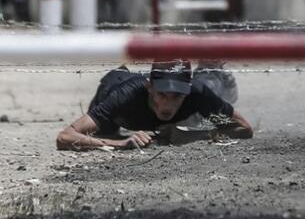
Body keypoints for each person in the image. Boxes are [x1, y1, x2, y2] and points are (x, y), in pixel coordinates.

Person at [56, 60, 253, 151]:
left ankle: (214, 71)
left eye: (177, 96)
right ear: (150, 87)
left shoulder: (195, 92)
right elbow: (65, 137)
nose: (168, 104)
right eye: (162, 95)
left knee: (208, 97)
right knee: (105, 132)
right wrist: (121, 143)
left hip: (182, 110)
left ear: (187, 89)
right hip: (116, 90)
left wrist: (190, 135)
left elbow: (244, 128)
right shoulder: (125, 95)